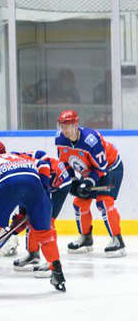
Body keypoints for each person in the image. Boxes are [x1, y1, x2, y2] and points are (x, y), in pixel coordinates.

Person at [0, 144, 66, 296]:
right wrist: (42, 191)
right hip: (34, 184)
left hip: (6, 185)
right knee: (45, 234)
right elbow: (43, 165)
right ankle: (58, 274)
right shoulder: (17, 156)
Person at [56, 110, 125, 257]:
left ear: (76, 125)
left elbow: (101, 167)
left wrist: (88, 181)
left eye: (68, 126)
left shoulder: (91, 140)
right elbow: (64, 162)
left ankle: (117, 241)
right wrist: (73, 180)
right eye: (62, 126)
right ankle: (86, 238)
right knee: (80, 203)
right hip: (90, 171)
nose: (64, 130)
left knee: (104, 202)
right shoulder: (60, 139)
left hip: (110, 168)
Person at [12, 155, 73, 276]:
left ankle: (53, 264)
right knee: (32, 217)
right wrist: (22, 213)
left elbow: (41, 188)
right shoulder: (11, 167)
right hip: (44, 180)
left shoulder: (25, 169)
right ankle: (33, 255)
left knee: (46, 221)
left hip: (59, 183)